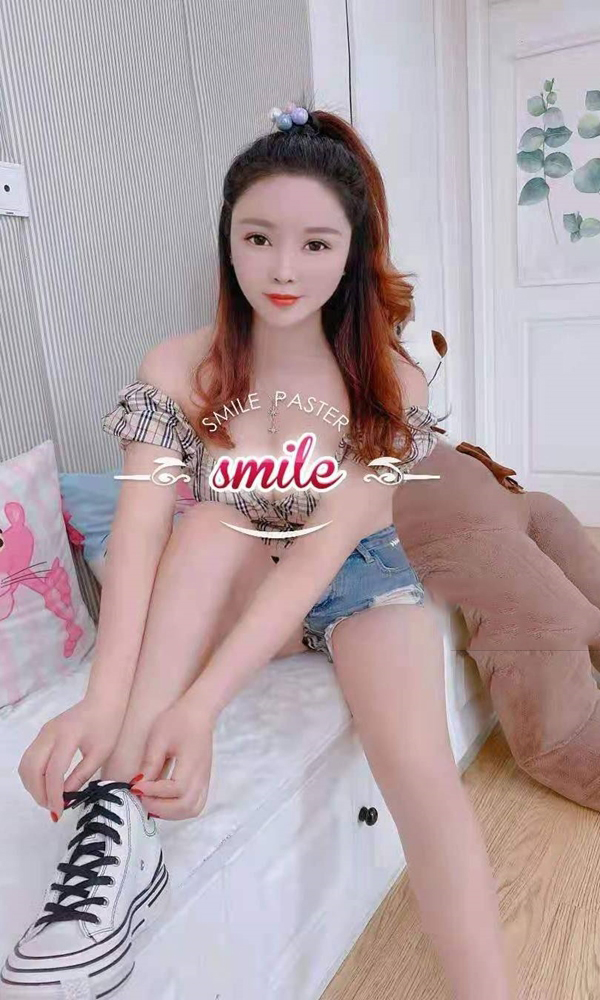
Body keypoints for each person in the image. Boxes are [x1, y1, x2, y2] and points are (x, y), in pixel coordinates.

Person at [3, 100, 515, 999]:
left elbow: (320, 555)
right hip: (238, 569)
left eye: (316, 244)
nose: (283, 269)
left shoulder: (390, 380)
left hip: (356, 581)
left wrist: (202, 708)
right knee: (207, 524)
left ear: (352, 253)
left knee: (421, 776)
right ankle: (115, 834)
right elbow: (140, 539)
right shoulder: (178, 369)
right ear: (227, 241)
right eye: (259, 238)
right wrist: (100, 701)